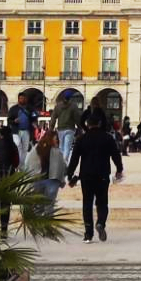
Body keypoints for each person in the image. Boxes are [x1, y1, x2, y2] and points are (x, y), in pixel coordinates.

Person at [65, 106, 123, 242]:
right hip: (102, 174)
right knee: (102, 202)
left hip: (86, 175)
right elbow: (116, 155)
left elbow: (74, 159)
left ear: (87, 124)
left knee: (87, 203)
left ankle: (88, 233)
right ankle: (101, 223)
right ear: (100, 123)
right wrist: (119, 169)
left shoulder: (81, 139)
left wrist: (69, 174)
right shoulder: (107, 138)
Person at [52, 91, 82, 165]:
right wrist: (79, 127)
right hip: (70, 129)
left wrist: (51, 128)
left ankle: (60, 163)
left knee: (61, 146)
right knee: (67, 147)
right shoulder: (73, 106)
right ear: (70, 98)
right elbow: (77, 118)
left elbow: (53, 117)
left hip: (60, 129)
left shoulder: (58, 106)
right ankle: (65, 163)